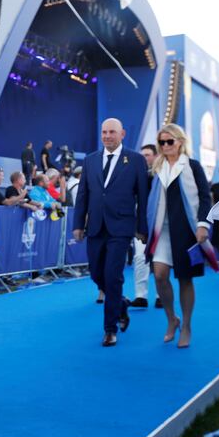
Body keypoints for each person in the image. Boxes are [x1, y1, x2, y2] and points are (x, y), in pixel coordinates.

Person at [73, 118, 148, 347]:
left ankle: (110, 329)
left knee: (113, 277)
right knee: (97, 275)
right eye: (104, 132)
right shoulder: (90, 160)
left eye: (112, 132)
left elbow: (142, 197)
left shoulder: (135, 160)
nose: (107, 136)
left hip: (121, 228)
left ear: (122, 133)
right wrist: (77, 224)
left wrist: (141, 228)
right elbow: (83, 195)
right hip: (95, 227)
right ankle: (121, 305)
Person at [145, 124, 211, 348]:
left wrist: (202, 224)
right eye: (161, 142)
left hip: (186, 230)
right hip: (161, 231)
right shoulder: (157, 168)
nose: (165, 146)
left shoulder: (192, 166)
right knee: (160, 275)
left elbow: (205, 196)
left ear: (180, 142)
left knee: (185, 278)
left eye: (169, 141)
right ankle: (171, 319)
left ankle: (187, 326)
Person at [131, 144, 158, 308]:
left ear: (155, 156)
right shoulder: (135, 175)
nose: (144, 158)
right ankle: (141, 296)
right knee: (140, 258)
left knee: (160, 261)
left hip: (161, 224)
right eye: (142, 155)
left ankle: (161, 295)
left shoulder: (163, 174)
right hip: (141, 224)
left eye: (147, 155)